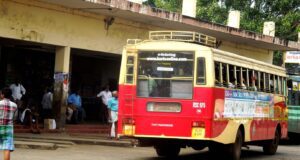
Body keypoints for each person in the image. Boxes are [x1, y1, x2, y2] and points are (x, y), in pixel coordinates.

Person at [0, 87, 17, 160]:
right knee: (7, 148)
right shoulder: (14, 105)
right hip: (8, 128)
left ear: (2, 95)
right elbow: (15, 117)